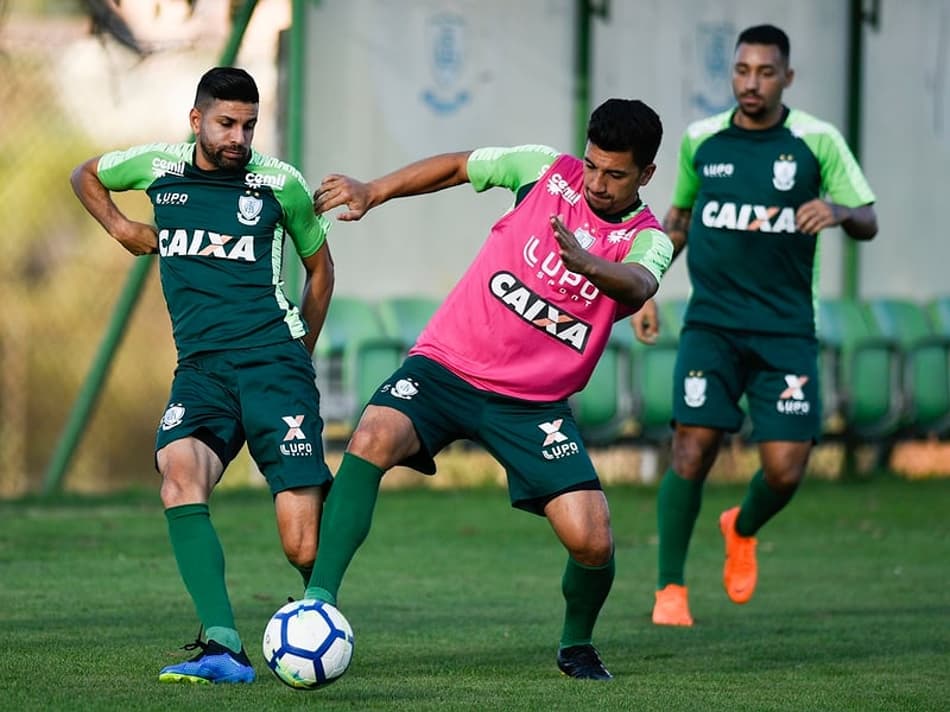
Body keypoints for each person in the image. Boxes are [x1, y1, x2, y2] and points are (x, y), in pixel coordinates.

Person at [304, 98, 673, 679]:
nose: (597, 182)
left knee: (593, 539)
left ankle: (576, 644)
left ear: (646, 174)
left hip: (532, 405)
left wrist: (587, 264)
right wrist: (373, 191)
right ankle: (316, 603)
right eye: (593, 164)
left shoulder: (648, 238)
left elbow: (638, 283)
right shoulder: (544, 171)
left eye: (616, 173)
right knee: (372, 435)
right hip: (447, 367)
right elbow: (457, 165)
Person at [70, 67, 336, 683]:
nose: (238, 137)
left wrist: (301, 352)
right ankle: (223, 647)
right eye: (225, 124)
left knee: (302, 545)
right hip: (201, 371)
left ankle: (321, 613)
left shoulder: (279, 184)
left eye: (248, 125)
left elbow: (320, 272)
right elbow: (84, 173)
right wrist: (123, 228)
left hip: (274, 364)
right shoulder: (159, 167)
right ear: (197, 121)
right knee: (178, 473)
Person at [632, 24, 878, 627]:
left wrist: (841, 211)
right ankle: (670, 590)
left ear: (786, 78)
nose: (751, 82)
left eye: (766, 72)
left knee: (786, 469)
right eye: (743, 70)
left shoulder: (816, 141)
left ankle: (740, 527)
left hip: (787, 330)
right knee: (691, 448)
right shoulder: (701, 140)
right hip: (711, 325)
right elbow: (679, 219)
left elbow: (869, 219)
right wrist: (645, 284)